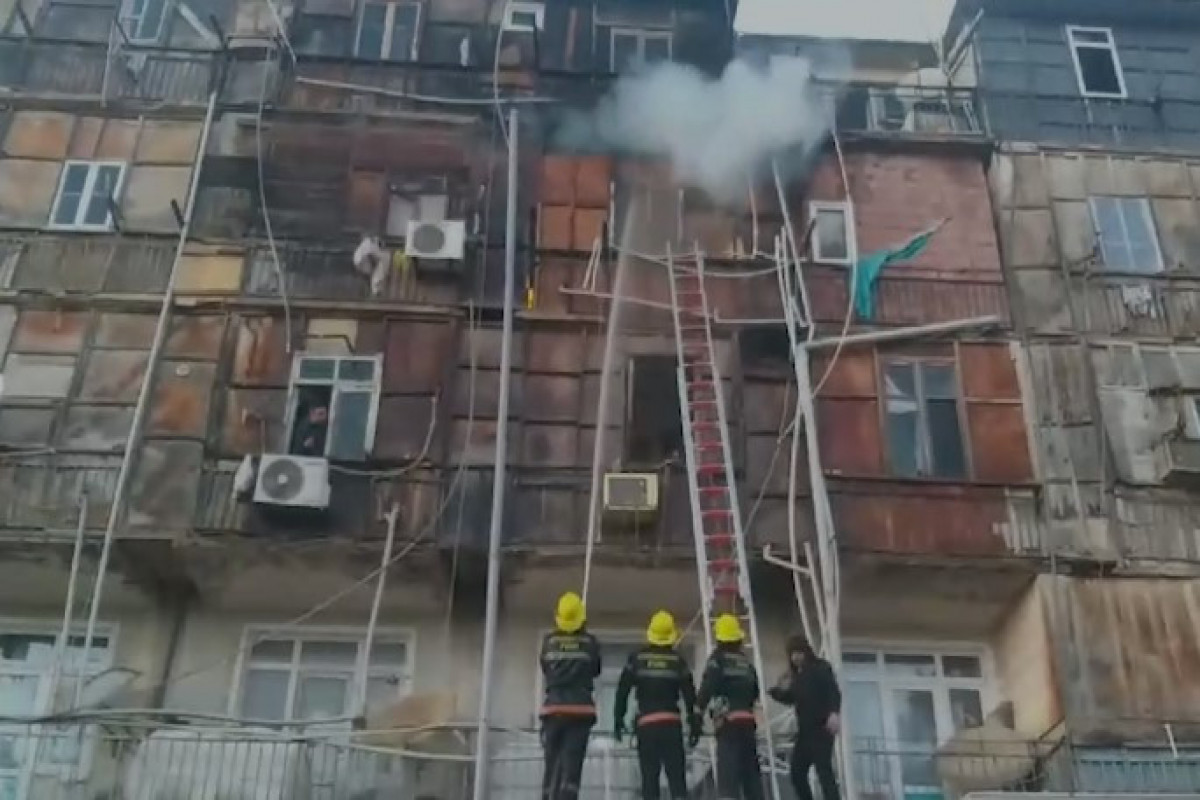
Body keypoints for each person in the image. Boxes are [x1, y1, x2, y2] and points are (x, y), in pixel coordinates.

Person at [613, 610, 700, 800]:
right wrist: (695, 725)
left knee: (649, 780)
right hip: (671, 726)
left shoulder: (637, 659)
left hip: (647, 726)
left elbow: (622, 691)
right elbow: (690, 697)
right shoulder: (678, 661)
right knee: (677, 781)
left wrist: (618, 720)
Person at [539, 591, 602, 800]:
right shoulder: (590, 642)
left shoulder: (549, 641)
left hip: (553, 710)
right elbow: (596, 669)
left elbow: (546, 668)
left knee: (551, 768)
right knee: (571, 770)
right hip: (580, 711)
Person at [696, 614, 763, 800]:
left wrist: (697, 713)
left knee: (728, 777)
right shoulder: (746, 662)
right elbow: (755, 692)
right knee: (751, 777)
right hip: (748, 723)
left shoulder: (717, 660)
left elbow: (708, 688)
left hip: (728, 724)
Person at [769, 634, 842, 800]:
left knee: (823, 771)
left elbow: (833, 691)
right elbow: (792, 698)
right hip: (805, 733)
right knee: (797, 772)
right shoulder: (798, 676)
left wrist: (834, 713)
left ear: (806, 651)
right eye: (792, 654)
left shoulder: (820, 667)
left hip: (821, 729)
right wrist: (775, 692)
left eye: (798, 653)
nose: (795, 658)